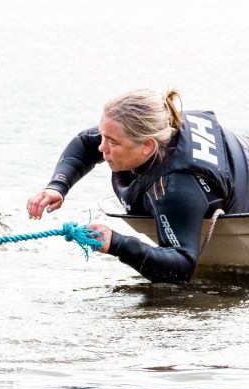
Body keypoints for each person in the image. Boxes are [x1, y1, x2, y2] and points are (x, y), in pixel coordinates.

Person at [27, 89, 249, 282]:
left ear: (147, 147)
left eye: (112, 142)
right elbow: (85, 142)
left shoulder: (176, 189)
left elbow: (181, 267)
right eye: (103, 136)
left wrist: (117, 244)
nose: (101, 148)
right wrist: (57, 186)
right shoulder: (157, 125)